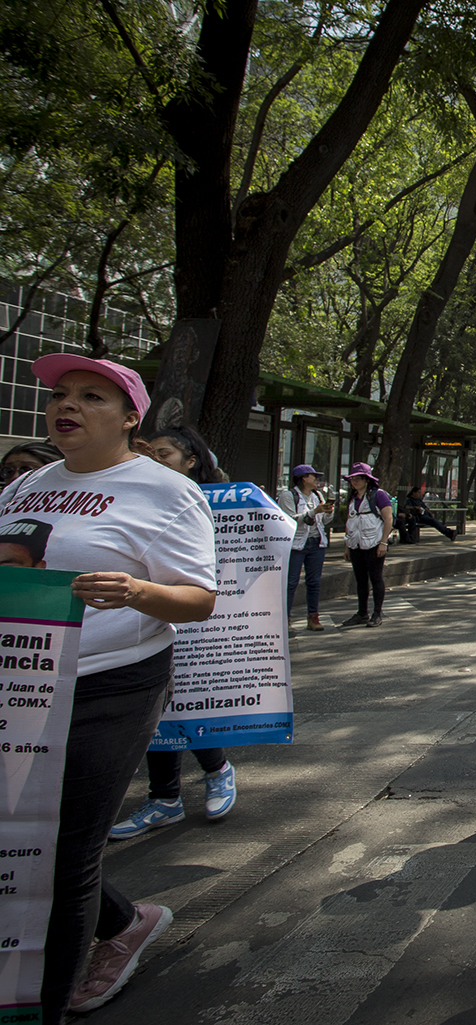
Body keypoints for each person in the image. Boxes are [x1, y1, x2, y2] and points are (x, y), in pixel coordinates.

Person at [0, 354, 216, 1022]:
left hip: (110, 686)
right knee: (20, 839)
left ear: (129, 417)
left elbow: (199, 599)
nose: (68, 405)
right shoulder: (23, 487)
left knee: (64, 854)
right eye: (62, 394)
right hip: (21, 684)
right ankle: (123, 920)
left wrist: (138, 590)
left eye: (92, 396)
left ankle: (43, 1007)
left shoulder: (165, 490)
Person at [109, 426, 239, 840]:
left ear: (191, 461)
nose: (156, 461)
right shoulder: (131, 499)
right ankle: (164, 798)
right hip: (144, 622)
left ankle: (216, 769)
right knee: (158, 712)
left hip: (203, 621)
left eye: (165, 454)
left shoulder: (218, 504)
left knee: (187, 700)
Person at [278, 464, 335, 631]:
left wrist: (328, 512)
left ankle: (313, 617)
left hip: (316, 543)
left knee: (314, 582)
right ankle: (285, 619)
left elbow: (323, 521)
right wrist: (313, 512)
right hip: (296, 544)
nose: (316, 480)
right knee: (291, 582)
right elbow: (289, 520)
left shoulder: (317, 495)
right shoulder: (289, 496)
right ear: (303, 478)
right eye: (313, 477)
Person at [341, 463, 394, 627]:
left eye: (358, 478)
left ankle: (377, 613)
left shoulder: (378, 495)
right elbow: (350, 521)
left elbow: (388, 519)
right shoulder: (352, 498)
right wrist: (347, 546)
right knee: (360, 580)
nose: (355, 481)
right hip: (356, 544)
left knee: (376, 578)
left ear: (367, 479)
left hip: (374, 543)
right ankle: (361, 613)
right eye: (352, 479)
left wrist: (384, 542)